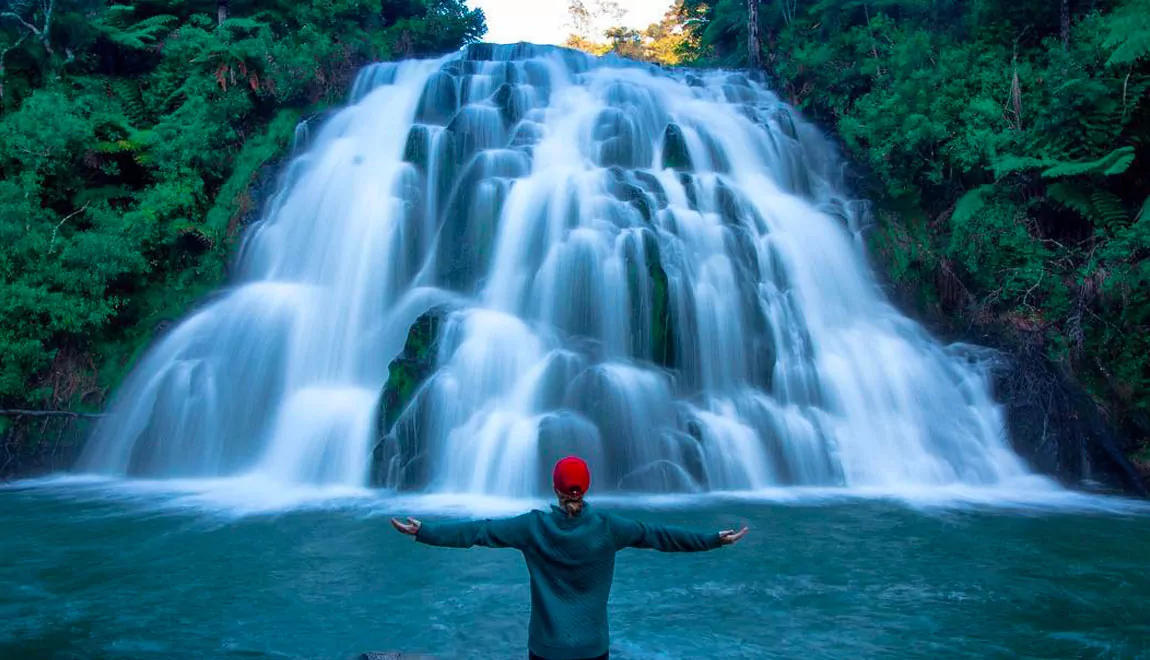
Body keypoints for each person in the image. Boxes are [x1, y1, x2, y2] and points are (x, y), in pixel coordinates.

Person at [391, 456, 749, 660]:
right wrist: (712, 540)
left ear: (555, 489)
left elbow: (478, 533)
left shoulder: (532, 527)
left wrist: (424, 531)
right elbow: (660, 536)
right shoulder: (609, 528)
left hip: (546, 650)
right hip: (593, 649)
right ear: (587, 487)